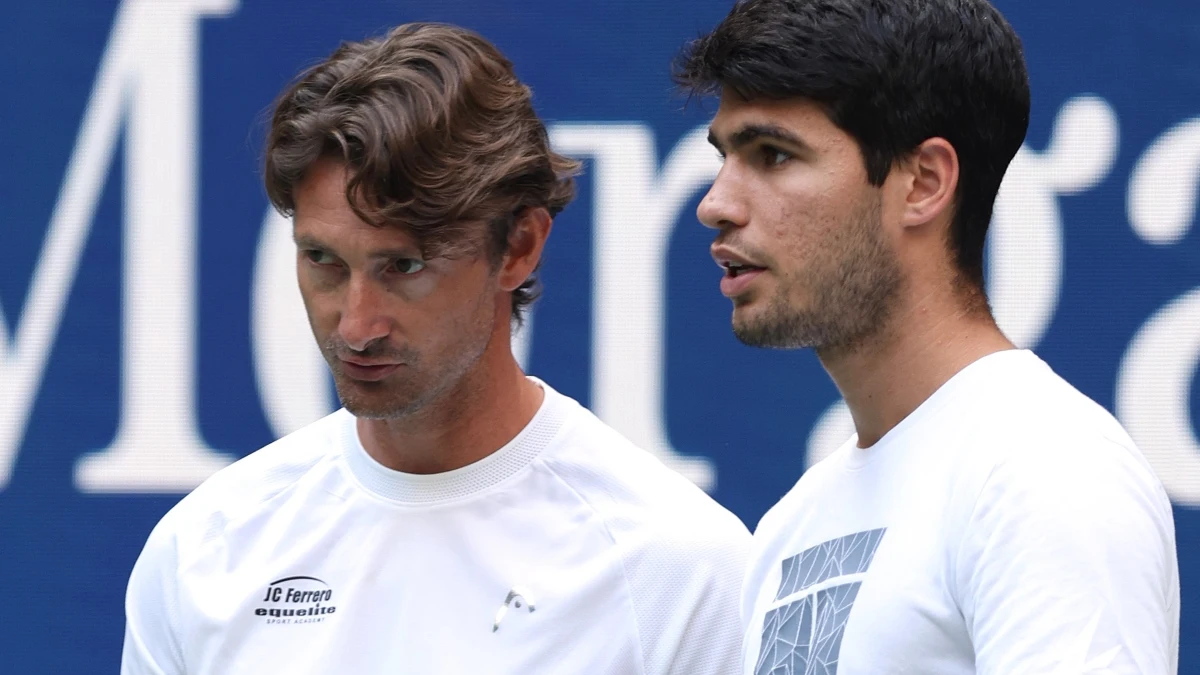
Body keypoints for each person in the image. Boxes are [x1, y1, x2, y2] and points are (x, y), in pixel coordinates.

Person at [121, 22, 750, 675]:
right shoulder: (201, 553)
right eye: (323, 260)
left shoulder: (684, 571)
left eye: (404, 266)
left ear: (519, 246)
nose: (357, 325)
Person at [673, 0, 1179, 673]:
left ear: (925, 183)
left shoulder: (1047, 469)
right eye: (725, 156)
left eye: (772, 154)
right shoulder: (791, 524)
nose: (716, 203)